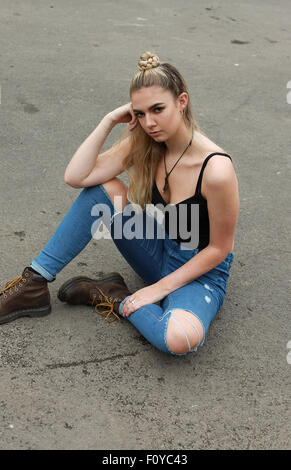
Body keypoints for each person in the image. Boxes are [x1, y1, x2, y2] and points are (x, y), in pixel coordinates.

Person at [0, 51, 239, 357]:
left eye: (158, 109)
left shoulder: (216, 170)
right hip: (158, 250)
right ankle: (34, 283)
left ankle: (114, 295)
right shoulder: (146, 142)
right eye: (139, 114)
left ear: (182, 102)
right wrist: (109, 120)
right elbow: (77, 176)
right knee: (103, 190)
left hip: (199, 273)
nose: (149, 123)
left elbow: (219, 249)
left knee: (179, 340)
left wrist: (157, 289)